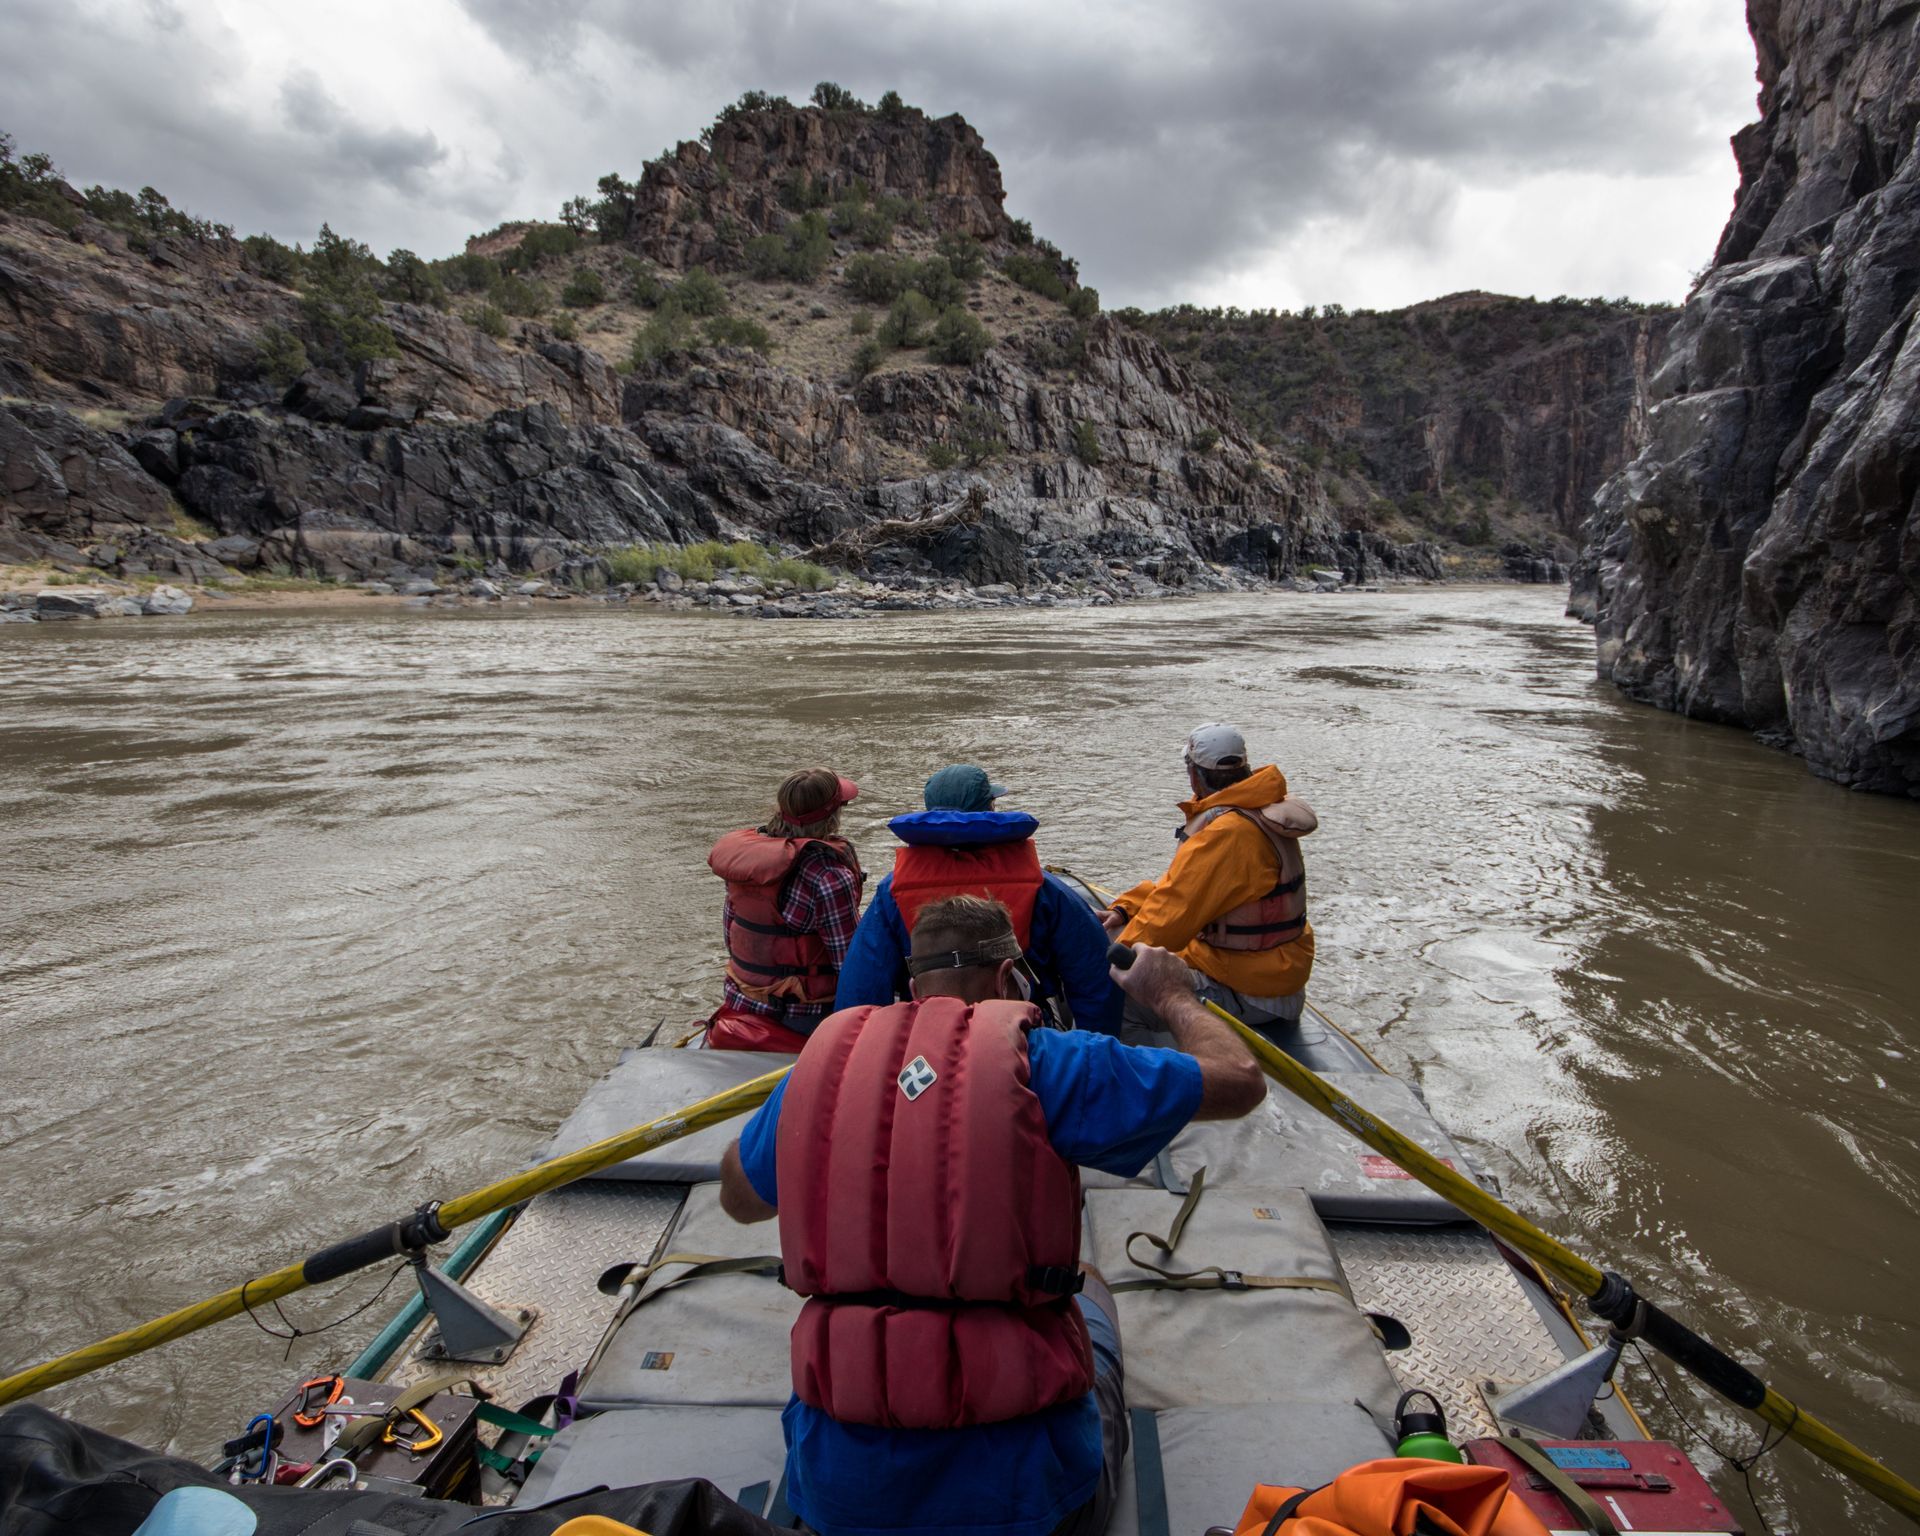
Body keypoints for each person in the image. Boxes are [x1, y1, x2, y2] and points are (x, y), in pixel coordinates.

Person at [718, 895, 1264, 1536]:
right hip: (1029, 1508)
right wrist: (1171, 995)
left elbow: (739, 1197)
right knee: (1087, 1281)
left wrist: (804, 1107)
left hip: (841, 1507)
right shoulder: (1055, 1063)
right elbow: (1240, 1078)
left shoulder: (822, 1068)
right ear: (1010, 978)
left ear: (911, 983)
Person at [833, 764, 1122, 1033]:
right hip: (1022, 1033)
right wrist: (1092, 1050)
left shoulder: (892, 891)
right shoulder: (1044, 887)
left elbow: (860, 992)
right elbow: (1095, 977)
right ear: (990, 809)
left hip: (932, 1033)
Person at [1102, 723, 1317, 1039]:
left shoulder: (1227, 834)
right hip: (1267, 977)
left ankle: (1144, 1080)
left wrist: (1103, 961)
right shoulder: (1253, 810)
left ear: (1194, 773)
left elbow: (1168, 921)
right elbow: (1178, 886)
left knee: (1118, 997)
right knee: (1122, 934)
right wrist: (1126, 908)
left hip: (1248, 992)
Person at [705, 767, 865, 1052]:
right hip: (804, 1016)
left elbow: (732, 941)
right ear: (833, 817)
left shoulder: (748, 864)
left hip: (741, 998)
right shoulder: (828, 877)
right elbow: (850, 966)